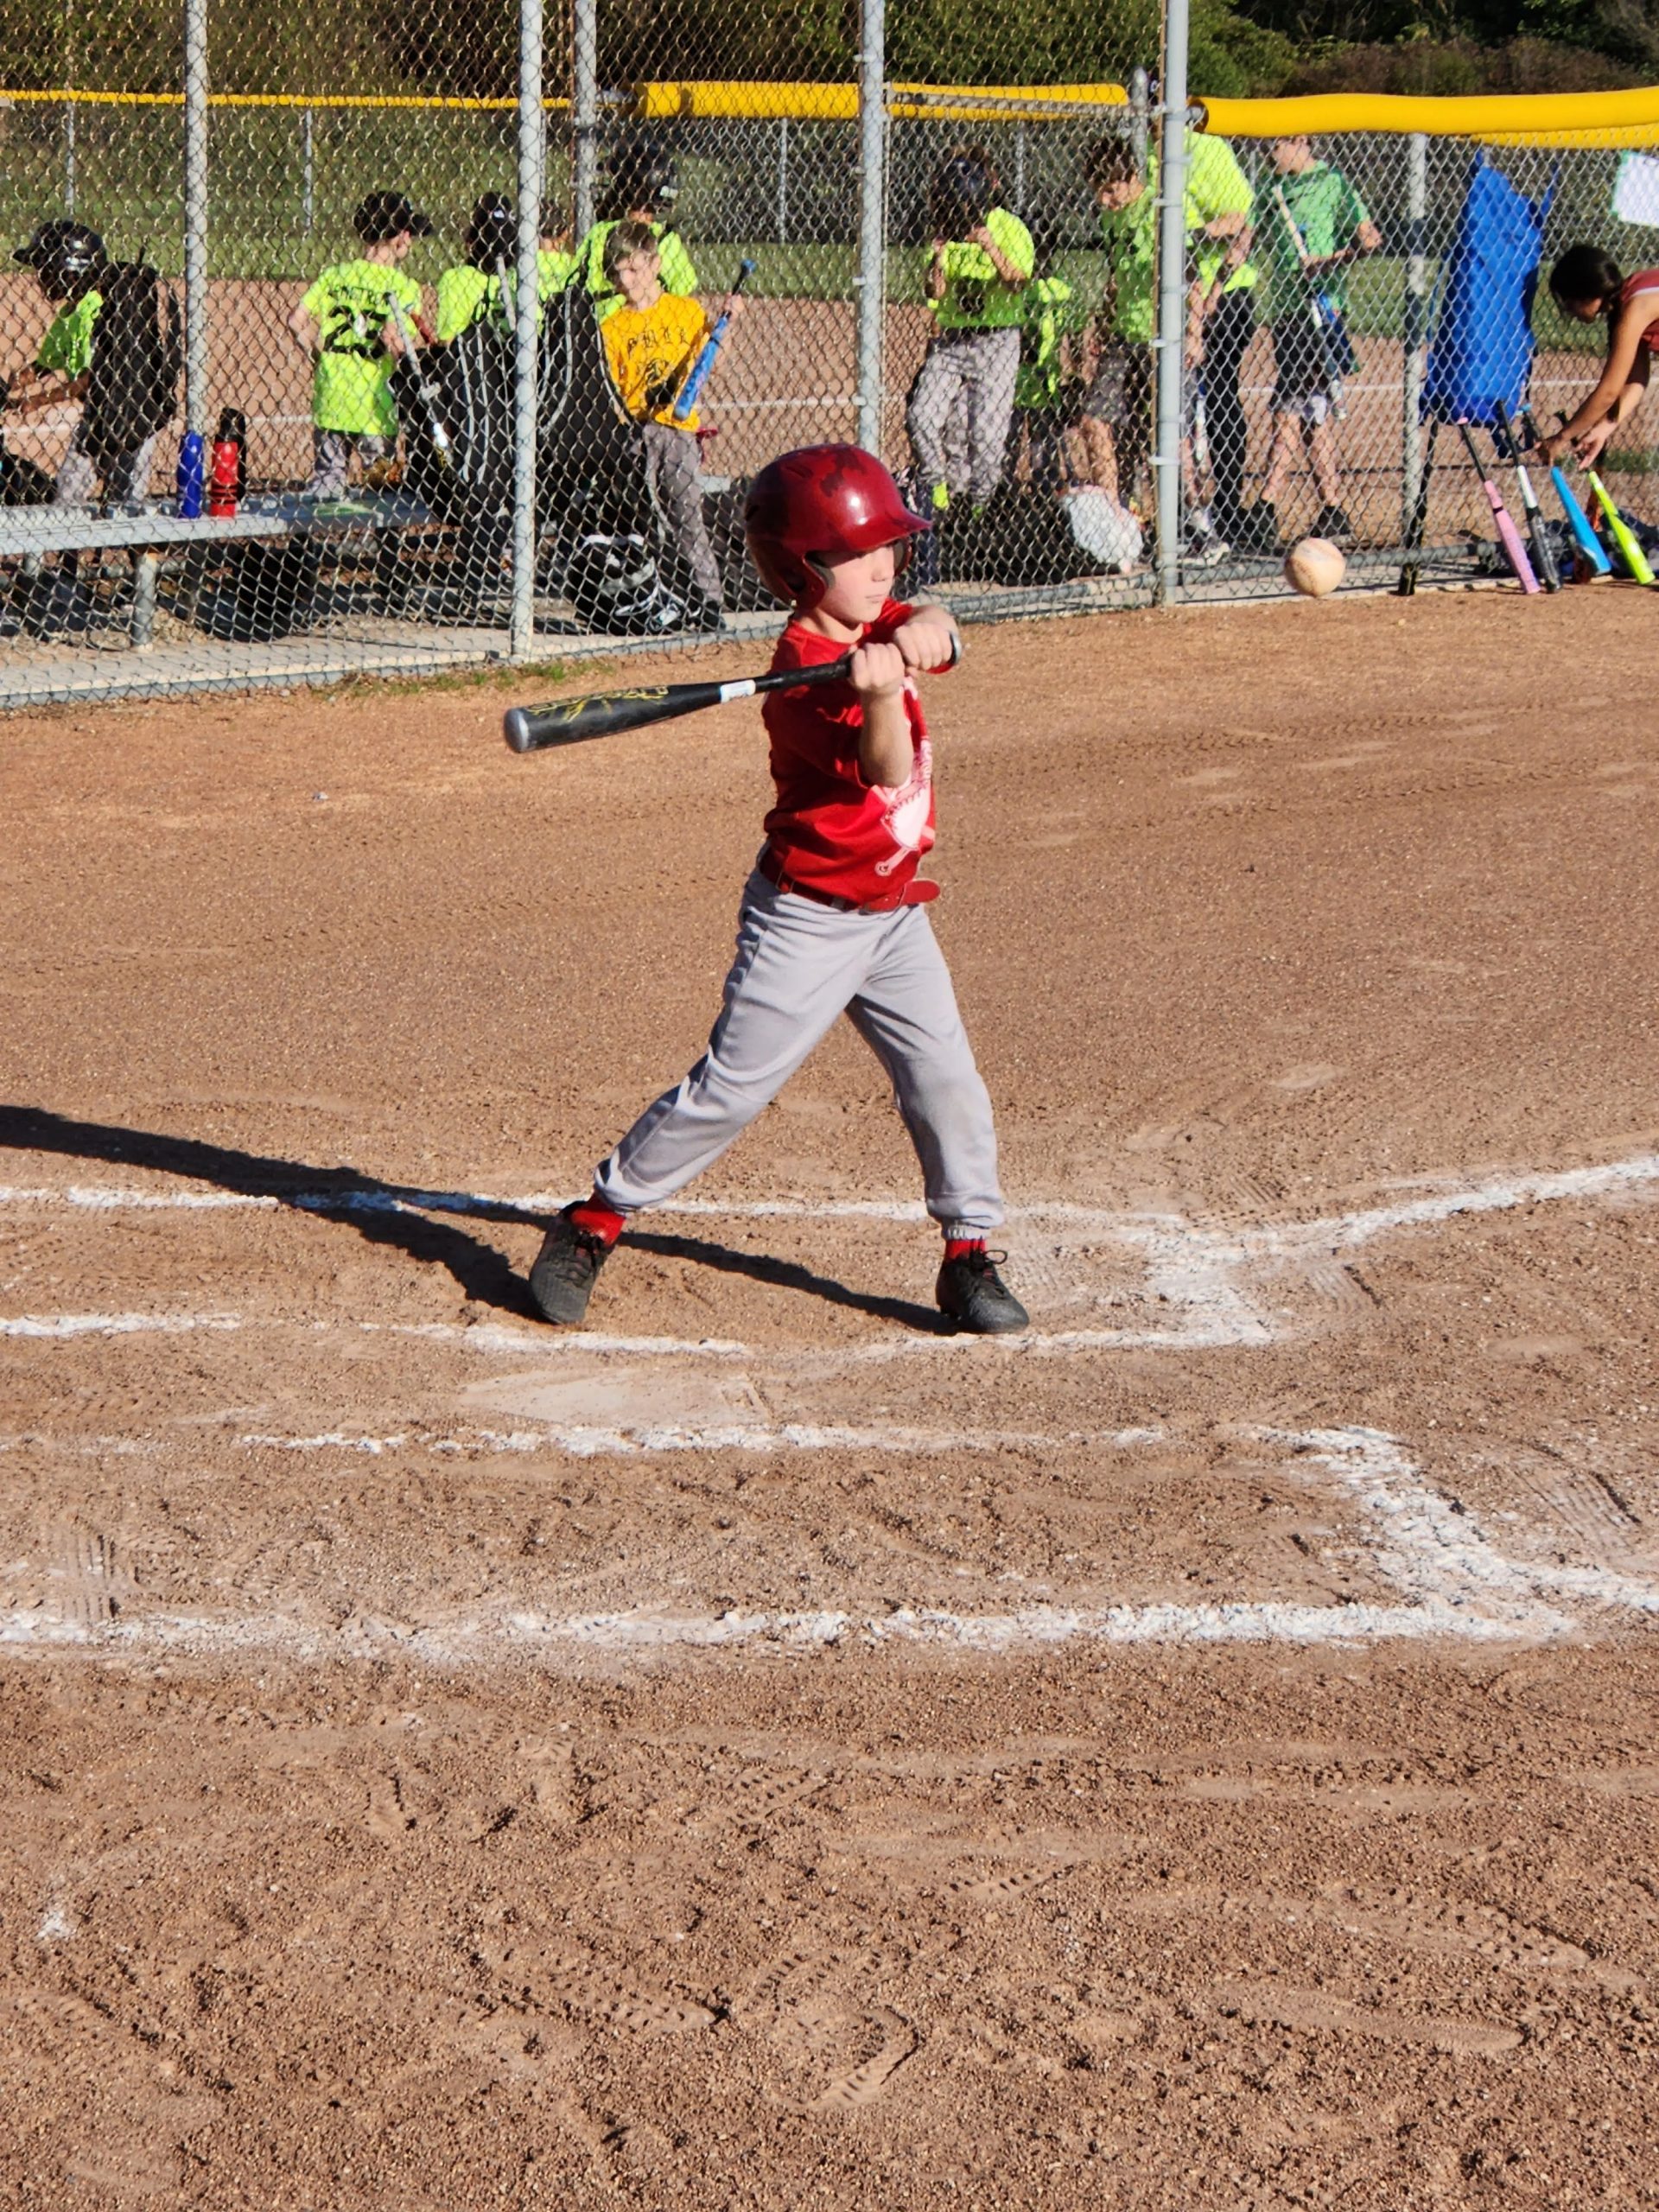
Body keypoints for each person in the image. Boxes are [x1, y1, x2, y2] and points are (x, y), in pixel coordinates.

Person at [524, 442, 1029, 1338]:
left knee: (947, 1079)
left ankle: (968, 1254)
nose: (884, 568)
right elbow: (886, 769)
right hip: (809, 918)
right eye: (861, 554)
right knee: (732, 1089)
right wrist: (879, 696)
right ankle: (592, 1220)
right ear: (804, 567)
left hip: (893, 913)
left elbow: (943, 628)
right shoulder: (801, 680)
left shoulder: (873, 621)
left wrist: (926, 629)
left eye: (890, 550)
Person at [1077, 133, 1252, 562]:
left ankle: (1197, 527)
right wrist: (1102, 319)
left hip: (1168, 336)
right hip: (1126, 334)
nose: (1104, 200)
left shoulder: (1161, 211)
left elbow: (1188, 275)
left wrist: (1193, 332)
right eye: (1097, 191)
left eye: (1111, 189)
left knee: (1169, 436)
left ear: (1132, 177)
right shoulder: (1111, 218)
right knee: (1094, 420)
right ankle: (1118, 522)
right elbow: (1118, 273)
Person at [1244, 135, 1380, 552]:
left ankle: (1266, 507)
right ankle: (1333, 508)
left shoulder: (1333, 184)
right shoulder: (1271, 190)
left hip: (1320, 314)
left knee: (1288, 410)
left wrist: (1330, 261)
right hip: (1287, 315)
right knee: (1310, 417)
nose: (1269, 154)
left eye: (1275, 145)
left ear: (1300, 141)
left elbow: (1369, 239)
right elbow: (1247, 238)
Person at [599, 219, 726, 624]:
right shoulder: (613, 327)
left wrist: (725, 326)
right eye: (618, 272)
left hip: (678, 430)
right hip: (636, 432)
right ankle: (655, 597)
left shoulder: (685, 312)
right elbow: (613, 391)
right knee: (642, 519)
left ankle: (708, 600)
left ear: (654, 264)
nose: (625, 280)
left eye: (634, 269)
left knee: (687, 513)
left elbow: (710, 361)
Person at [6, 220, 176, 507]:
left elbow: (88, 379)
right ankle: (66, 551)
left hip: (133, 421)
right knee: (66, 497)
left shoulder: (96, 310)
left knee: (127, 505)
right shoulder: (69, 315)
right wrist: (10, 384)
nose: (39, 279)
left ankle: (141, 551)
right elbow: (44, 365)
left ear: (71, 274)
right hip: (98, 415)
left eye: (46, 271)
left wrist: (37, 400)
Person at [907, 149, 1034, 521]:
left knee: (985, 437)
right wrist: (937, 260)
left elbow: (1017, 282)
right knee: (923, 416)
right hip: (953, 340)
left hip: (996, 340)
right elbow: (935, 294)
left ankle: (980, 511)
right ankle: (939, 491)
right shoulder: (943, 232)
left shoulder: (1009, 226)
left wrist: (989, 246)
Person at [286, 189, 435, 498]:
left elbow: (295, 321)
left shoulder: (335, 275)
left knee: (328, 481)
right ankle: (379, 543)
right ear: (400, 238)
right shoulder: (403, 287)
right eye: (409, 233)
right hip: (375, 406)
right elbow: (392, 340)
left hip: (332, 397)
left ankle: (320, 541)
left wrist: (320, 357)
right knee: (381, 489)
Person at [1537, 245, 1659, 469]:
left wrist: (1561, 439)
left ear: (1585, 293)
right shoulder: (1631, 295)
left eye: (1569, 302)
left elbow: (1608, 392)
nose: (1570, 312)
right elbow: (1636, 379)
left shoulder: (1635, 308)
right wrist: (1604, 427)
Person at [574, 135, 697, 320]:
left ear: (629, 188)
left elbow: (576, 281)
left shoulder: (600, 232)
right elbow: (682, 292)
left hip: (601, 330)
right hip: (653, 331)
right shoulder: (666, 240)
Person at [1007, 213, 1087, 492]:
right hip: (1026, 382)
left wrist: (1075, 374)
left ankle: (1034, 490)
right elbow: (1073, 337)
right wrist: (1076, 366)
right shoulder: (1049, 289)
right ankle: (1021, 490)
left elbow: (1073, 336)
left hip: (1039, 383)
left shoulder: (1031, 288)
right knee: (1021, 447)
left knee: (1040, 448)